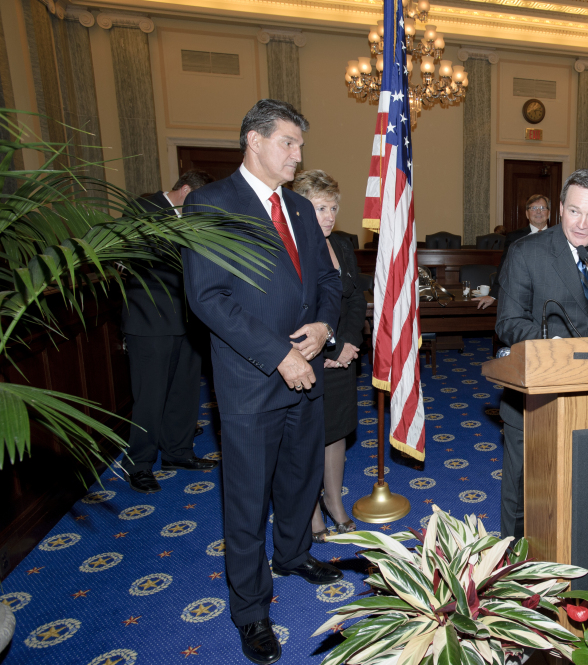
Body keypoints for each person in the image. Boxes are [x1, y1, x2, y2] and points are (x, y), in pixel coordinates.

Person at [182, 99, 344, 665]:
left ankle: (295, 553)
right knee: (247, 500)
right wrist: (280, 356)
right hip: (253, 378)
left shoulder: (299, 208)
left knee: (301, 478)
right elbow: (208, 297)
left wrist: (324, 326)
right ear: (254, 141)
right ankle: (251, 610)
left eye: (301, 145)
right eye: (289, 144)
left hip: (309, 370)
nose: (299, 156)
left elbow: (328, 278)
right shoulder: (211, 203)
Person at [495, 169, 588, 539]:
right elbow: (509, 322)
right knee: (524, 489)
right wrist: (559, 345)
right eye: (575, 211)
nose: (582, 223)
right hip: (537, 392)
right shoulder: (526, 252)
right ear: (560, 208)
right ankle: (513, 565)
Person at [121, 169, 218, 494]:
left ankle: (178, 453)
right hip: (149, 322)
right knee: (150, 396)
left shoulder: (191, 217)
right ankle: (139, 464)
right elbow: (134, 258)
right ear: (187, 190)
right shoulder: (142, 209)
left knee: (184, 392)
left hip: (187, 321)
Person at [291, 170, 365, 541]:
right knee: (308, 436)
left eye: (333, 207)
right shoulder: (289, 246)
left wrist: (349, 342)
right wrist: (329, 347)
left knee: (336, 432)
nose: (329, 216)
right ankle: (308, 513)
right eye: (321, 207)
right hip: (306, 358)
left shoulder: (343, 244)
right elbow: (294, 311)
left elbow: (355, 298)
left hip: (341, 358)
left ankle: (333, 500)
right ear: (301, 208)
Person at [474, 194, 550, 309]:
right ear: (527, 214)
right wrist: (493, 295)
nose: (538, 212)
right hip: (522, 300)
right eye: (533, 208)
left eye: (542, 208)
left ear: (548, 213)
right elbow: (505, 266)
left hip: (551, 299)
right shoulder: (514, 237)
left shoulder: (560, 237)